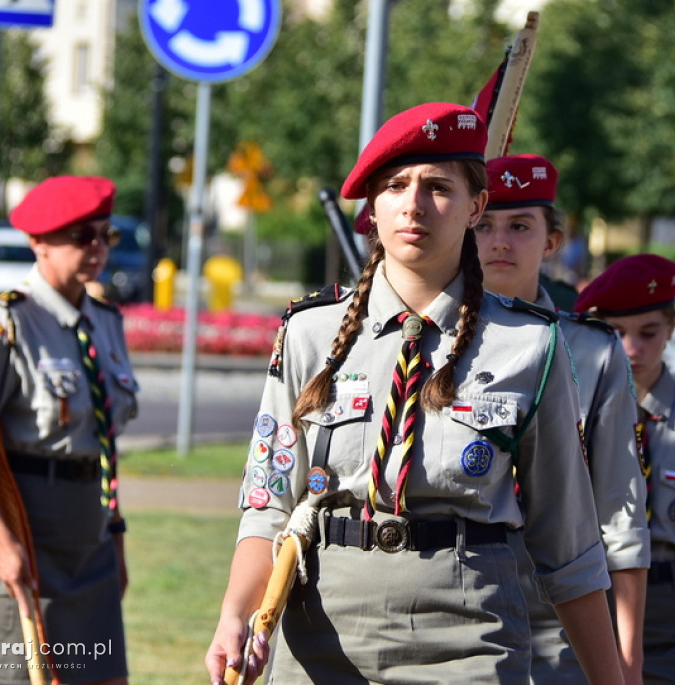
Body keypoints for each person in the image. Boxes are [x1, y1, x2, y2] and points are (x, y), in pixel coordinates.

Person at [204, 103, 624, 685]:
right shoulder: (309, 333)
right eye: (395, 185)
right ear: (371, 208)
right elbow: (269, 500)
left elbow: (569, 542)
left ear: (476, 208)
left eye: (438, 186)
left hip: (471, 639)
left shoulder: (530, 344)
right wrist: (234, 615)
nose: (414, 204)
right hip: (323, 636)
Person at [0, 176, 138, 684]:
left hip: (87, 537)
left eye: (103, 235)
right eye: (80, 237)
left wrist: (114, 529)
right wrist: (4, 540)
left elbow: (104, 444)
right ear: (39, 243)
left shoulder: (107, 322)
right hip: (22, 527)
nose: (95, 248)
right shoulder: (5, 322)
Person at [474, 154, 650, 684]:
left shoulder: (592, 352)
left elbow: (621, 511)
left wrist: (628, 656)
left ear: (552, 241)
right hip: (463, 599)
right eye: (484, 225)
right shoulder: (428, 342)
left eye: (520, 226)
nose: (500, 241)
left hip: (563, 612)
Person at [574, 254, 675, 685]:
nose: (632, 349)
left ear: (673, 327)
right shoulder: (572, 418)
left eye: (648, 333)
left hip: (674, 621)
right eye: (617, 333)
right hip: (589, 604)